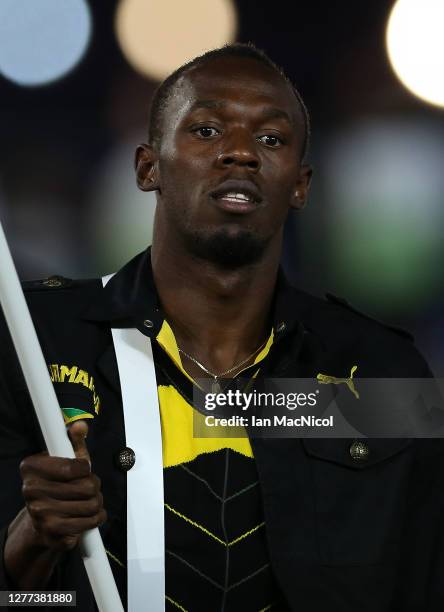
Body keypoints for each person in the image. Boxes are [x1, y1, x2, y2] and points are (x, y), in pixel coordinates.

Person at [0, 43, 443, 612]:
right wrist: (30, 546)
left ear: (302, 184)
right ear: (148, 167)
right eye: (207, 131)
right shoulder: (34, 345)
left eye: (271, 139)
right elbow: (24, 599)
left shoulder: (382, 373)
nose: (240, 153)